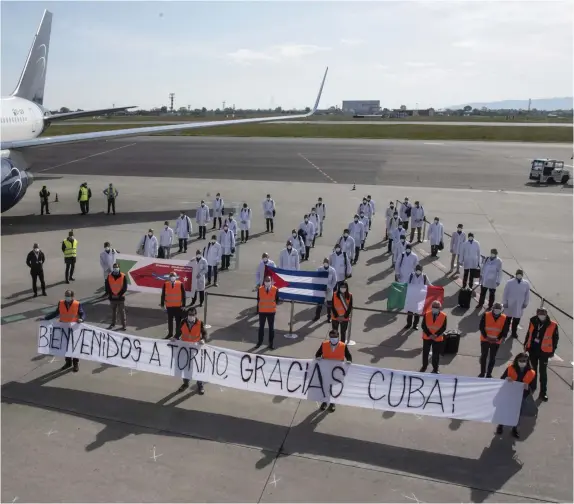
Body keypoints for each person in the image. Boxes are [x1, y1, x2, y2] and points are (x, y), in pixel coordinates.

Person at [496, 353, 536, 438]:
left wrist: (528, 388)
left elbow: (533, 387)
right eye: (520, 360)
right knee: (505, 411)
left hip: (521, 396)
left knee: (517, 414)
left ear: (527, 361)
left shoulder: (532, 373)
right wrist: (507, 379)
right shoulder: (510, 368)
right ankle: (501, 425)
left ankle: (514, 428)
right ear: (517, 361)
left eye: (524, 361)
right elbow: (502, 379)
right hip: (509, 394)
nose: (522, 362)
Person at [44, 289, 85, 372]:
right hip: (63, 328)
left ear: (72, 296)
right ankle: (68, 362)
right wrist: (46, 318)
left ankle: (75, 364)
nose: (67, 297)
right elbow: (56, 313)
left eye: (68, 296)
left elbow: (82, 314)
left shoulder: (77, 304)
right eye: (66, 295)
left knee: (74, 346)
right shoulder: (61, 303)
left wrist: (81, 319)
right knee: (65, 346)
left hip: (74, 328)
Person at [524, 307, 559, 402]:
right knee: (533, 370)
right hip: (533, 350)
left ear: (546, 314)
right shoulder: (533, 320)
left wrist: (552, 351)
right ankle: (532, 387)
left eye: (543, 314)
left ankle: (543, 392)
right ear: (537, 314)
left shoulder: (553, 325)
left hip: (544, 352)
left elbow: (555, 339)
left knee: (543, 372)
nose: (541, 316)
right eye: (540, 314)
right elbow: (529, 333)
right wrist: (526, 345)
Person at [315, 329, 352, 412]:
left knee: (333, 388)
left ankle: (332, 403)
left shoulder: (343, 346)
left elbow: (349, 356)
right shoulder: (324, 344)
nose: (333, 338)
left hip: (337, 372)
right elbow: (317, 354)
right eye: (331, 337)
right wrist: (318, 358)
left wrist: (349, 361)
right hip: (326, 370)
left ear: (338, 337)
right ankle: (325, 402)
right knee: (326, 387)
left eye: (335, 337)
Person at [173, 307, 207, 394]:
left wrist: (203, 339)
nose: (190, 316)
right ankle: (186, 383)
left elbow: (204, 333)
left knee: (196, 367)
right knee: (185, 366)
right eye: (189, 315)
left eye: (192, 315)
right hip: (185, 348)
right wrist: (175, 338)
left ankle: (200, 384)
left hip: (195, 348)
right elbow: (179, 332)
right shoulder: (183, 322)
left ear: (195, 315)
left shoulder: (200, 323)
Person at [478, 302, 509, 377]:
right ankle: (482, 373)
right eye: (496, 310)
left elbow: (505, 331)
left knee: (492, 358)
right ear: (493, 309)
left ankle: (489, 374)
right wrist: (486, 337)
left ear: (501, 311)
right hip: (485, 340)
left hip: (496, 341)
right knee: (484, 356)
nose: (497, 312)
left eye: (498, 310)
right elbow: (481, 327)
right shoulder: (486, 315)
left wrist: (498, 339)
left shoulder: (504, 318)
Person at [420, 300, 447, 374]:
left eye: (437, 307)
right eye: (434, 307)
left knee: (436, 354)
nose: (435, 308)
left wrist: (436, 335)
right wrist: (430, 335)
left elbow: (443, 327)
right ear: (431, 307)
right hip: (427, 337)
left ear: (440, 308)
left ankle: (435, 368)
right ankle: (424, 366)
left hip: (437, 338)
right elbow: (423, 326)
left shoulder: (444, 316)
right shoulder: (426, 314)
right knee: (425, 352)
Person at [502, 269, 531, 338]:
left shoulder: (526, 283)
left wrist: (526, 303)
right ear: (516, 274)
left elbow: (527, 294)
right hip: (510, 304)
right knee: (507, 320)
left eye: (520, 274)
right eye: (518, 274)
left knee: (516, 321)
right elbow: (505, 293)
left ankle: (514, 333)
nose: (519, 275)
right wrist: (505, 302)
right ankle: (505, 332)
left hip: (519, 305)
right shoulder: (509, 282)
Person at [160, 272, 186, 339]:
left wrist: (184, 305)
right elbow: (163, 295)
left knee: (178, 322)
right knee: (170, 321)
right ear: (169, 277)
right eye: (171, 276)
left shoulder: (180, 284)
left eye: (173, 276)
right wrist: (162, 304)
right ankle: (170, 334)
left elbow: (184, 295)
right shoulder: (166, 284)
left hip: (178, 306)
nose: (172, 277)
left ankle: (177, 335)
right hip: (169, 306)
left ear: (176, 277)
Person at [404, 265, 431, 330]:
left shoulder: (424, 277)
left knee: (418, 312)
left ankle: (415, 325)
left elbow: (429, 285)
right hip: (411, 297)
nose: (418, 271)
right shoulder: (411, 276)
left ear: (422, 270)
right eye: (417, 269)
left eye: (419, 270)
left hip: (420, 298)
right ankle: (409, 324)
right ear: (415, 269)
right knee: (410, 312)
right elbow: (406, 283)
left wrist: (436, 289)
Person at [256, 275, 279, 349]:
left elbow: (277, 300)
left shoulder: (275, 289)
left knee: (271, 328)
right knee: (261, 328)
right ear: (264, 281)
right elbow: (258, 299)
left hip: (271, 312)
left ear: (271, 281)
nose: (267, 282)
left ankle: (271, 343)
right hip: (262, 312)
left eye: (268, 281)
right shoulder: (260, 289)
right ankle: (259, 342)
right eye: (266, 281)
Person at [313, 258, 338, 323]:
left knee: (329, 304)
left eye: (327, 262)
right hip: (321, 289)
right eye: (325, 262)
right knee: (319, 304)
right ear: (323, 262)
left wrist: (330, 288)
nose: (326, 263)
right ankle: (317, 316)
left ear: (329, 262)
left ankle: (329, 317)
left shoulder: (332, 270)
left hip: (329, 289)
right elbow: (316, 278)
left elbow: (334, 280)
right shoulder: (319, 269)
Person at [105, 262, 128, 330]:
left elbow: (125, 287)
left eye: (117, 268)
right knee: (113, 312)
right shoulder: (109, 276)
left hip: (120, 298)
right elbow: (107, 287)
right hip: (112, 298)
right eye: (114, 268)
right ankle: (113, 323)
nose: (115, 269)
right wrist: (111, 294)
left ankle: (124, 325)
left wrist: (119, 295)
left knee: (122, 312)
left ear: (119, 268)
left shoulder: (123, 276)